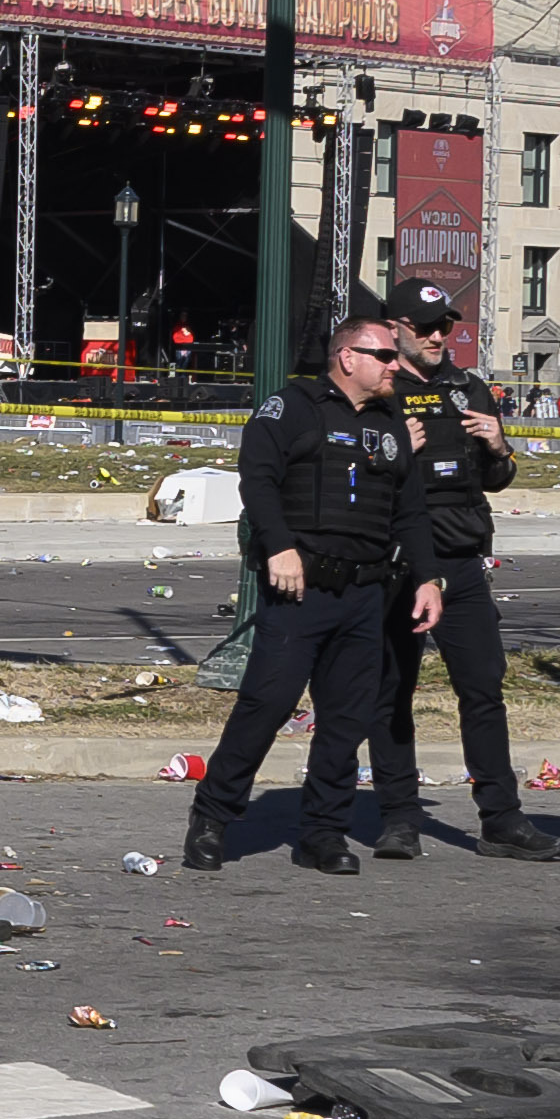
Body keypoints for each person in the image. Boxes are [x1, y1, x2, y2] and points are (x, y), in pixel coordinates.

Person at [189, 299, 432, 874]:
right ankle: (213, 818)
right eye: (384, 356)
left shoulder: (390, 424)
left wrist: (428, 579)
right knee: (266, 704)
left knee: (346, 720)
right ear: (347, 358)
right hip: (301, 591)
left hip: (367, 593)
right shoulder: (291, 407)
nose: (395, 365)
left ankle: (323, 834)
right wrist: (279, 546)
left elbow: (411, 512)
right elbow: (259, 479)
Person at [387, 284, 533, 849]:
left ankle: (502, 818)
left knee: (482, 689)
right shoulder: (381, 389)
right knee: (391, 691)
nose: (435, 336)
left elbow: (495, 479)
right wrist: (395, 449)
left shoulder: (467, 387)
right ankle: (400, 816)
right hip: (399, 563)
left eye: (444, 325)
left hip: (462, 559)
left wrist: (499, 447)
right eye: (423, 326)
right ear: (395, 327)